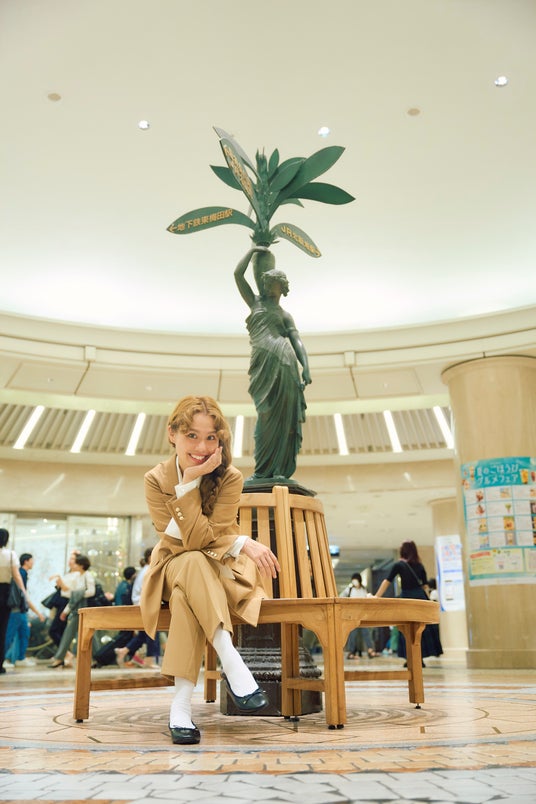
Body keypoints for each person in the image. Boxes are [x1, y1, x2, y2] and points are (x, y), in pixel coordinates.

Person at [140, 394, 281, 745]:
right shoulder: (155, 479)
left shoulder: (230, 477)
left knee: (188, 590)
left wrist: (229, 540)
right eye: (192, 436)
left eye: (210, 438)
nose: (202, 447)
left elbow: (203, 539)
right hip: (171, 568)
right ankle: (231, 661)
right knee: (189, 561)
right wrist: (239, 541)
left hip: (216, 573)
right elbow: (182, 542)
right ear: (172, 433)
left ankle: (180, 709)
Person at [234, 246, 311, 481]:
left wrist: (306, 366)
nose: (267, 286)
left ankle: (279, 469)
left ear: (282, 287)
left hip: (285, 362)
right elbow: (238, 275)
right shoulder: (255, 303)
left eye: (272, 283)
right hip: (262, 362)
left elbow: (297, 341)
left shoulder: (285, 315)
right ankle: (263, 469)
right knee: (265, 413)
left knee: (285, 415)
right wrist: (251, 252)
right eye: (266, 282)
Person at [374, 540, 443, 664]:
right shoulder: (420, 566)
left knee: (406, 628)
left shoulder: (399, 565)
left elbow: (387, 581)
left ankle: (409, 657)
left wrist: (376, 596)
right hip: (420, 598)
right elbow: (425, 585)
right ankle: (419, 658)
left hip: (407, 599)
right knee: (421, 629)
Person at [115, 551, 160, 668]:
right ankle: (149, 660)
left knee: (144, 634)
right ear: (150, 557)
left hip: (142, 603)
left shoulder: (146, 569)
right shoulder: (149, 570)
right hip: (144, 604)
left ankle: (124, 651)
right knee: (152, 631)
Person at [48, 554, 95, 668]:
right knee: (79, 634)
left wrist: (78, 594)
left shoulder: (87, 575)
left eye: (77, 563)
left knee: (85, 635)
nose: (74, 565)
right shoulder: (79, 576)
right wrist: (66, 610)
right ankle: (96, 658)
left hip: (84, 609)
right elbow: (73, 596)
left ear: (81, 565)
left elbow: (90, 592)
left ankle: (96, 658)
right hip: (77, 609)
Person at [4, 553, 45, 667]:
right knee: (9, 635)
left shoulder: (23, 573)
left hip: (21, 610)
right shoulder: (21, 573)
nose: (33, 562)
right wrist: (38, 613)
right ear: (26, 561)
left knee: (24, 633)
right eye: (32, 560)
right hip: (16, 609)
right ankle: (4, 659)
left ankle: (20, 658)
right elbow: (24, 595)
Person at [0, 529, 27, 674]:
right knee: (2, 630)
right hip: (4, 594)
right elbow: (16, 575)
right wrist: (23, 592)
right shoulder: (10, 554)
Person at [47, 549, 82, 647]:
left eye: (73, 559)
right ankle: (63, 653)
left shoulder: (78, 575)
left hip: (67, 603)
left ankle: (65, 653)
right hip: (61, 602)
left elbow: (69, 590)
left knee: (54, 631)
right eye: (70, 558)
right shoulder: (69, 573)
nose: (70, 561)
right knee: (59, 631)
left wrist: (59, 580)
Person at [339, 572, 377, 659]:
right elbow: (341, 597)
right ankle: (351, 652)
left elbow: (368, 599)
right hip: (352, 615)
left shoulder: (364, 589)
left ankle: (370, 650)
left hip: (363, 615)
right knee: (352, 634)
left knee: (366, 633)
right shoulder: (349, 589)